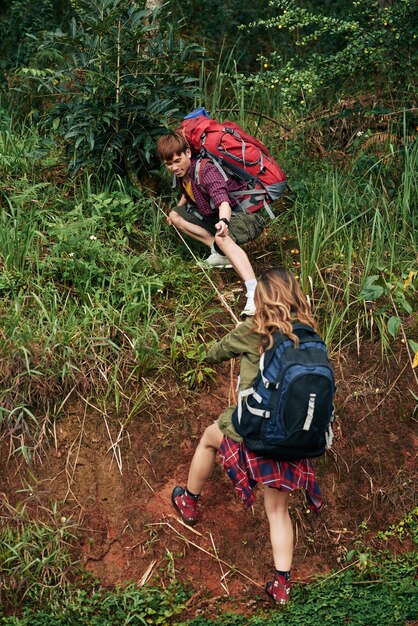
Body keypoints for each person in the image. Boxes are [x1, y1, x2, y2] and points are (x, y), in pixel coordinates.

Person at [171, 268, 324, 605]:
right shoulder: (308, 332)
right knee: (278, 510)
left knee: (209, 439)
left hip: (253, 428)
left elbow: (214, 352)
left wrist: (243, 325)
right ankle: (282, 586)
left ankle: (189, 500)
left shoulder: (253, 329)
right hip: (291, 433)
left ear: (263, 299)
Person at [157, 131, 266, 317]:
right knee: (175, 216)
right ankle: (219, 253)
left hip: (246, 215)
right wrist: (176, 209)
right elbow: (187, 192)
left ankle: (253, 293)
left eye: (177, 160)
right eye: (169, 164)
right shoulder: (185, 174)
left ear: (188, 153)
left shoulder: (205, 170)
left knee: (222, 238)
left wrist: (223, 222)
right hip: (215, 216)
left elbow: (222, 200)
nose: (174, 167)